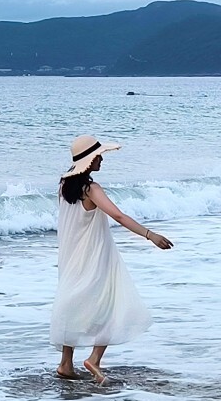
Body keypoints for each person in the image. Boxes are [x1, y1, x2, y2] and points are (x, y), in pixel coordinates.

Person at [51, 135, 172, 383]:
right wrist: (150, 235)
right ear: (88, 160)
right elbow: (118, 216)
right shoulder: (92, 189)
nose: (102, 159)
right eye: (98, 156)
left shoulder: (64, 185)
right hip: (95, 255)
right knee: (110, 302)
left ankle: (66, 364)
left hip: (71, 256)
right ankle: (94, 359)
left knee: (73, 302)